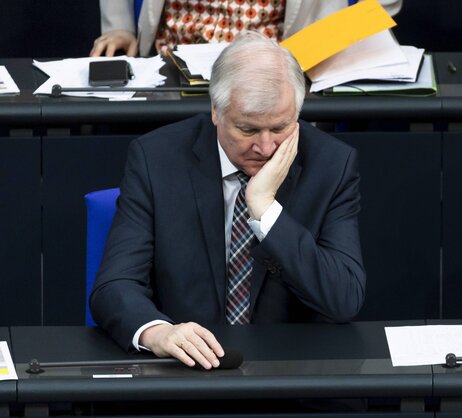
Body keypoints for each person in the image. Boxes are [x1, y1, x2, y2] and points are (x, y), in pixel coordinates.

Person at [89, 31, 365, 369]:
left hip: (292, 377)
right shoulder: (157, 159)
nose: (265, 148)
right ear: (216, 111)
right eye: (248, 130)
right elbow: (114, 285)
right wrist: (158, 332)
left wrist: (266, 211)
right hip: (185, 375)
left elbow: (343, 299)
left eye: (280, 129)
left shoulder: (332, 165)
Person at [91, 0, 403, 57]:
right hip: (172, 68)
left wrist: (322, 45)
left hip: (275, 68)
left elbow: (383, 4)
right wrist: (121, 28)